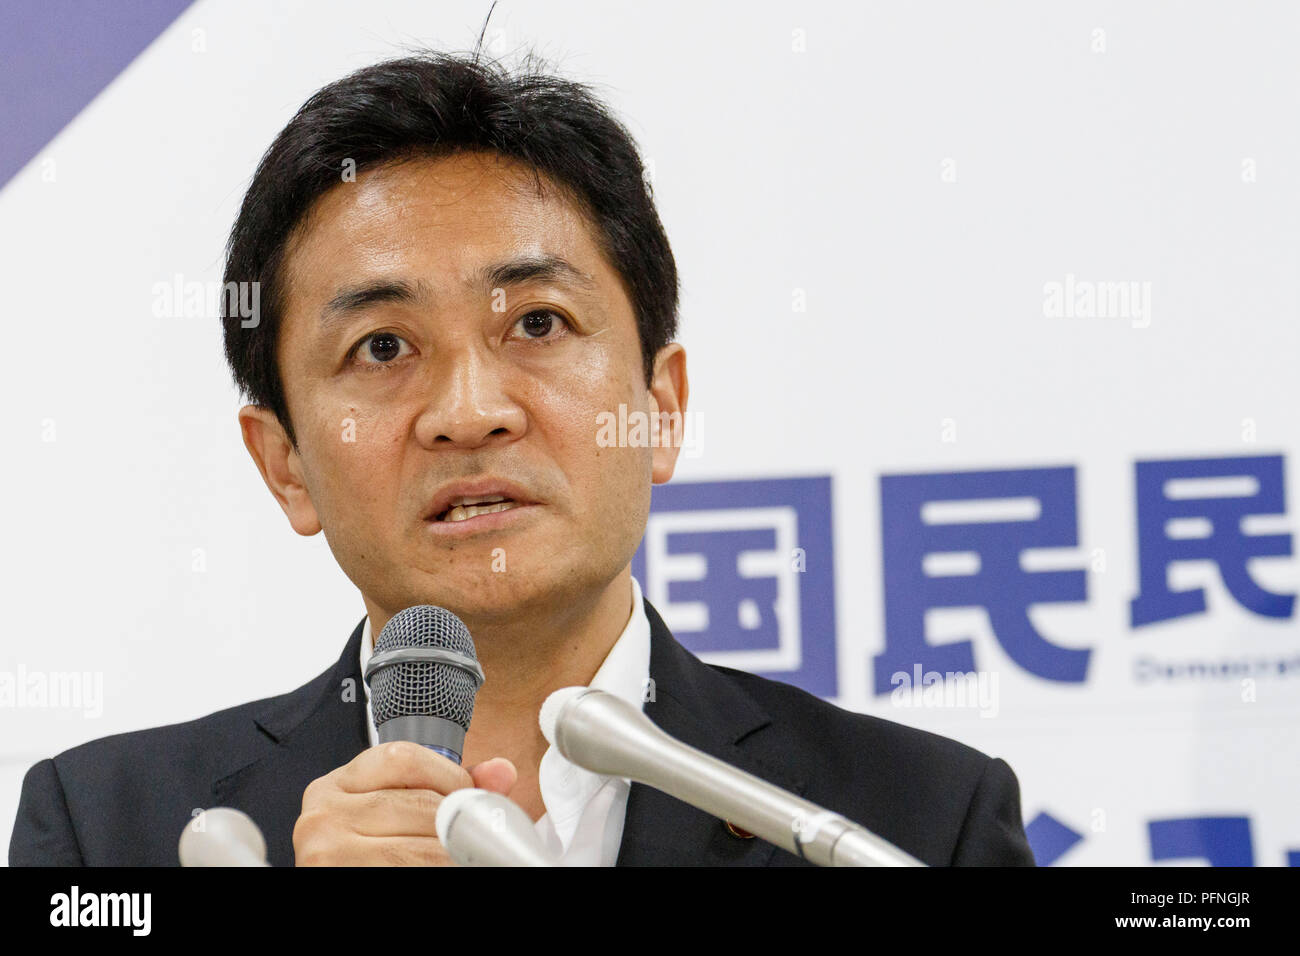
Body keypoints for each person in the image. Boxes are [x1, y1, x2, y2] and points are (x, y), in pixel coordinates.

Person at [10, 49, 1035, 867]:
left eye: (538, 323)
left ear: (660, 406)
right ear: (283, 461)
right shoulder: (112, 831)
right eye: (382, 347)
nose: (468, 411)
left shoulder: (909, 816)